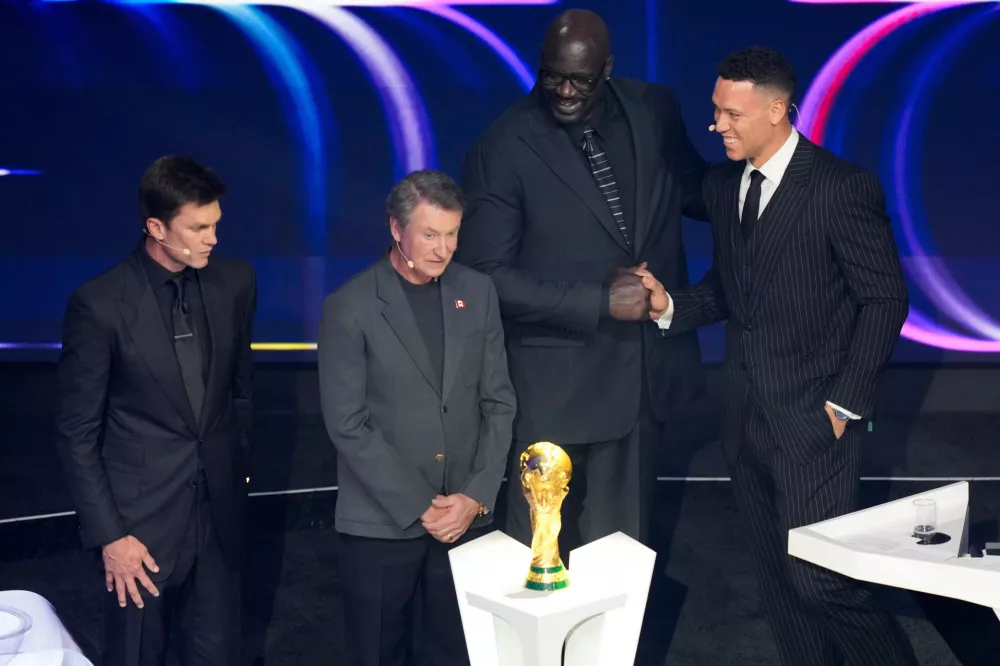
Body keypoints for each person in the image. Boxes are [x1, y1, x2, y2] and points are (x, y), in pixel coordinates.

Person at [641, 47, 917, 665]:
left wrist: (844, 404)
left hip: (815, 422)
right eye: (716, 110)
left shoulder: (841, 187)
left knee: (820, 581)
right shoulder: (722, 186)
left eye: (732, 114)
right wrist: (670, 306)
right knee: (780, 586)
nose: (718, 124)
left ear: (777, 109)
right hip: (743, 419)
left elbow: (884, 299)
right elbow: (729, 287)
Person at [456, 8, 709, 553]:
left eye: (580, 80)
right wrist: (599, 301)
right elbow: (483, 277)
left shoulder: (653, 110)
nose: (565, 91)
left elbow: (696, 193)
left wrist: (773, 170)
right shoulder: (503, 146)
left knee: (624, 558)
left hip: (644, 380)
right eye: (553, 76)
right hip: (555, 391)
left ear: (607, 69)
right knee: (540, 556)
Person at [54, 155, 257, 665]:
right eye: (198, 228)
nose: (212, 239)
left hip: (218, 517)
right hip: (139, 530)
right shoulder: (100, 304)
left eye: (216, 224)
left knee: (217, 654)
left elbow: (240, 390)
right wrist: (110, 536)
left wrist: (236, 472)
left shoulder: (234, 282)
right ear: (156, 228)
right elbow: (77, 433)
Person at [318, 170, 516, 666]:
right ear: (396, 228)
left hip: (464, 520)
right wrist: (421, 505)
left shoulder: (478, 291)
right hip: (382, 526)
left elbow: (498, 402)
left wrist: (475, 496)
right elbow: (347, 423)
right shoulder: (350, 306)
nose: (443, 249)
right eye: (430, 235)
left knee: (458, 653)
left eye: (452, 234)